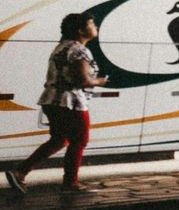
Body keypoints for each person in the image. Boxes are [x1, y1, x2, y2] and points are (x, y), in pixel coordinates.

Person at [5, 13, 106, 196]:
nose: (96, 26)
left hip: (51, 100)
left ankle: (20, 172)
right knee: (80, 140)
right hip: (70, 102)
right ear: (80, 30)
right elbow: (82, 80)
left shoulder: (62, 47)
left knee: (59, 139)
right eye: (92, 23)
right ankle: (70, 184)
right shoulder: (78, 50)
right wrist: (99, 81)